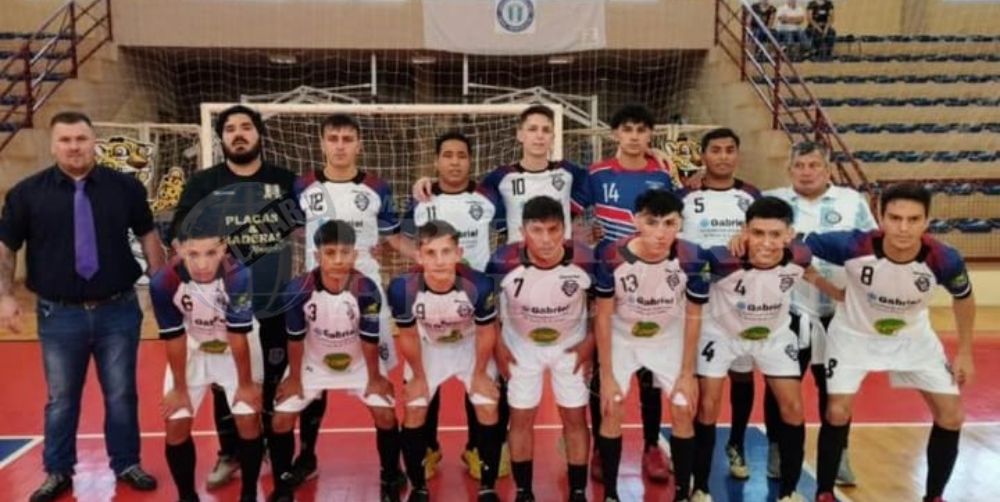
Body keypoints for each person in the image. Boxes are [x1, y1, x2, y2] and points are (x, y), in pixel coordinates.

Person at [0, 111, 165, 501]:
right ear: (52, 145)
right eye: (65, 140)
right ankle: (58, 471)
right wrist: (5, 296)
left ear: (95, 142)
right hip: (59, 315)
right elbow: (6, 247)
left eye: (81, 138)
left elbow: (148, 236)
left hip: (118, 310)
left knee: (121, 394)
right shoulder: (26, 193)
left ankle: (126, 463)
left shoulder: (125, 188)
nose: (74, 146)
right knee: (61, 399)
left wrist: (161, 286)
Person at [806, 183, 975, 502]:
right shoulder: (853, 244)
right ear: (880, 218)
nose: (903, 227)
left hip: (913, 339)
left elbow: (964, 298)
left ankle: (934, 496)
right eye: (895, 218)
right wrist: (820, 282)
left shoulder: (944, 258)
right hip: (854, 336)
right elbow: (795, 245)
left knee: (952, 416)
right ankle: (824, 492)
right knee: (837, 412)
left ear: (927, 221)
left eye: (913, 219)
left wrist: (965, 352)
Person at [169, 104, 302, 490]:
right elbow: (179, 234)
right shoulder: (203, 183)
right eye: (230, 129)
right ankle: (231, 452)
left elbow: (310, 225)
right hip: (220, 307)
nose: (239, 134)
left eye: (246, 127)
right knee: (223, 384)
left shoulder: (285, 180)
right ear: (222, 138)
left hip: (272, 301)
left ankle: (275, 452)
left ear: (259, 134)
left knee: (273, 382)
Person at [292, 113, 416, 486]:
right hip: (317, 296)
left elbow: (392, 237)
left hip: (366, 296)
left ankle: (391, 469)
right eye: (333, 138)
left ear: (359, 144)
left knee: (377, 384)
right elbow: (293, 231)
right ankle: (306, 456)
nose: (340, 145)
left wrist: (427, 259)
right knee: (314, 379)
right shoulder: (303, 185)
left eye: (348, 138)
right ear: (322, 143)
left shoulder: (377, 188)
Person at [690, 197, 841, 502]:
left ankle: (789, 492)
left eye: (775, 234)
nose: (766, 242)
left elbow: (810, 272)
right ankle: (700, 488)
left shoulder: (799, 256)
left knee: (793, 408)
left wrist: (839, 294)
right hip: (721, 334)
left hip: (773, 335)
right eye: (758, 233)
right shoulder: (721, 260)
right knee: (708, 405)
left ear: (789, 235)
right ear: (745, 231)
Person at [760, 141, 875, 486]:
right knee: (781, 386)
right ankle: (778, 449)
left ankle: (838, 455)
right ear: (789, 169)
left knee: (836, 387)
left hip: (838, 312)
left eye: (814, 165)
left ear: (827, 169)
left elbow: (872, 248)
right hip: (787, 311)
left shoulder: (852, 202)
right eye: (800, 166)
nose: (806, 172)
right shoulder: (772, 201)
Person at [401, 132, 509, 481]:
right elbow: (395, 236)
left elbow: (512, 229)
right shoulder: (421, 198)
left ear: (470, 159)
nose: (454, 161)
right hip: (432, 304)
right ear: (436, 160)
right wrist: (426, 264)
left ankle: (477, 449)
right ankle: (428, 448)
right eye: (447, 155)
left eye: (461, 155)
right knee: (425, 384)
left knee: (482, 379)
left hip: (477, 303)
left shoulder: (489, 196)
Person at [269, 220, 404, 502]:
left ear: (355, 254)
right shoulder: (298, 290)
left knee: (385, 414)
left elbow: (369, 339)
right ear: (317, 256)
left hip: (359, 362)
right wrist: (293, 378)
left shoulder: (365, 289)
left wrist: (375, 378)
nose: (339, 260)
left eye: (345, 253)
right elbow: (295, 338)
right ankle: (283, 484)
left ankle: (391, 475)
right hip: (313, 362)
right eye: (330, 253)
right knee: (281, 419)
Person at [583, 104, 678, 484]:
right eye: (627, 129)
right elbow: (570, 211)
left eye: (641, 129)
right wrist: (587, 235)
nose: (635, 136)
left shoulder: (663, 174)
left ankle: (652, 445)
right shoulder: (596, 174)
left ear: (650, 134)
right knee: (602, 366)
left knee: (648, 370)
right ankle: (600, 447)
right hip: (609, 282)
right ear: (615, 134)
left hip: (654, 284)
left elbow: (676, 219)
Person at [592, 189, 703, 502]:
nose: (661, 233)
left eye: (669, 223)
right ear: (636, 221)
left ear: (680, 224)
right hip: (623, 336)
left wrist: (688, 373)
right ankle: (611, 494)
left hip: (667, 337)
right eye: (652, 223)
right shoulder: (615, 255)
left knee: (683, 407)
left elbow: (694, 316)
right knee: (612, 406)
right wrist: (607, 374)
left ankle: (682, 494)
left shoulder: (691, 256)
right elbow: (603, 316)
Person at [488, 196, 595, 502]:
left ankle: (577, 491)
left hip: (570, 345)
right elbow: (486, 307)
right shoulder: (502, 261)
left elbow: (602, 304)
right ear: (522, 231)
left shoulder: (585, 259)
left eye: (553, 229)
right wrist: (498, 345)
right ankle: (524, 492)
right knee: (521, 418)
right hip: (520, 346)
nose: (546, 240)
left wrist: (589, 343)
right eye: (537, 230)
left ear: (564, 230)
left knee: (575, 417)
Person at [388, 220, 503, 502]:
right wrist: (418, 377)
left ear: (458, 253)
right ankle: (419, 488)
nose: (439, 261)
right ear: (419, 256)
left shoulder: (479, 284)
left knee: (488, 405)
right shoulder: (402, 288)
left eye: (446, 252)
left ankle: (487, 487)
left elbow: (487, 331)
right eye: (431, 253)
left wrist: (479, 374)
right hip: (428, 347)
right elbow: (408, 335)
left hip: (470, 345)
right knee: (414, 408)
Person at [150, 219, 262, 502]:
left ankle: (249, 494)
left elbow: (238, 336)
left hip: (236, 347)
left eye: (211, 253)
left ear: (224, 248)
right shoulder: (163, 282)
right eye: (193, 254)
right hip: (193, 347)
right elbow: (174, 337)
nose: (202, 264)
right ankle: (187, 496)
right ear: (179, 249)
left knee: (248, 417)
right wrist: (179, 388)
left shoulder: (239, 276)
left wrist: (246, 385)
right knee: (176, 423)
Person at [678, 127, 761, 481]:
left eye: (730, 149)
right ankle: (694, 450)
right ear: (703, 155)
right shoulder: (684, 196)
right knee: (699, 378)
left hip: (740, 300)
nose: (723, 156)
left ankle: (737, 443)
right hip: (696, 301)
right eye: (716, 150)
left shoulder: (751, 196)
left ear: (737, 155)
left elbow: (767, 238)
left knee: (741, 372)